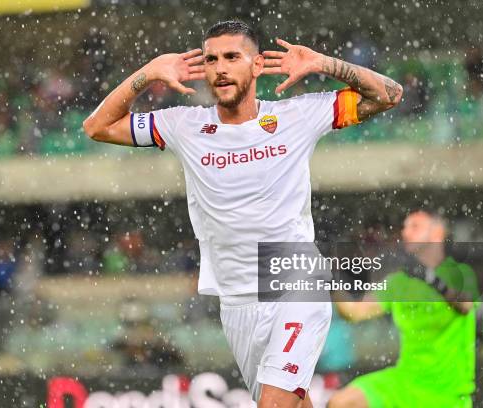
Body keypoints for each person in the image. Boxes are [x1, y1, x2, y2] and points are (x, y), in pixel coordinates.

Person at [82, 20, 402, 407]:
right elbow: (97, 126)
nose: (220, 68)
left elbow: (389, 94)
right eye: (212, 58)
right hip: (236, 299)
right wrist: (148, 73)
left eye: (232, 57)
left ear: (256, 66)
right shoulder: (184, 125)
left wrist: (325, 64)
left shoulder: (296, 115)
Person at [329, 210, 479, 408]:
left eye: (415, 227)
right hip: (404, 382)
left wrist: (431, 280)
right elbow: (354, 312)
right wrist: (329, 280)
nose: (406, 233)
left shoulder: (460, 273)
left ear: (438, 233)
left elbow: (465, 305)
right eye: (405, 227)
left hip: (447, 394)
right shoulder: (398, 282)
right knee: (342, 403)